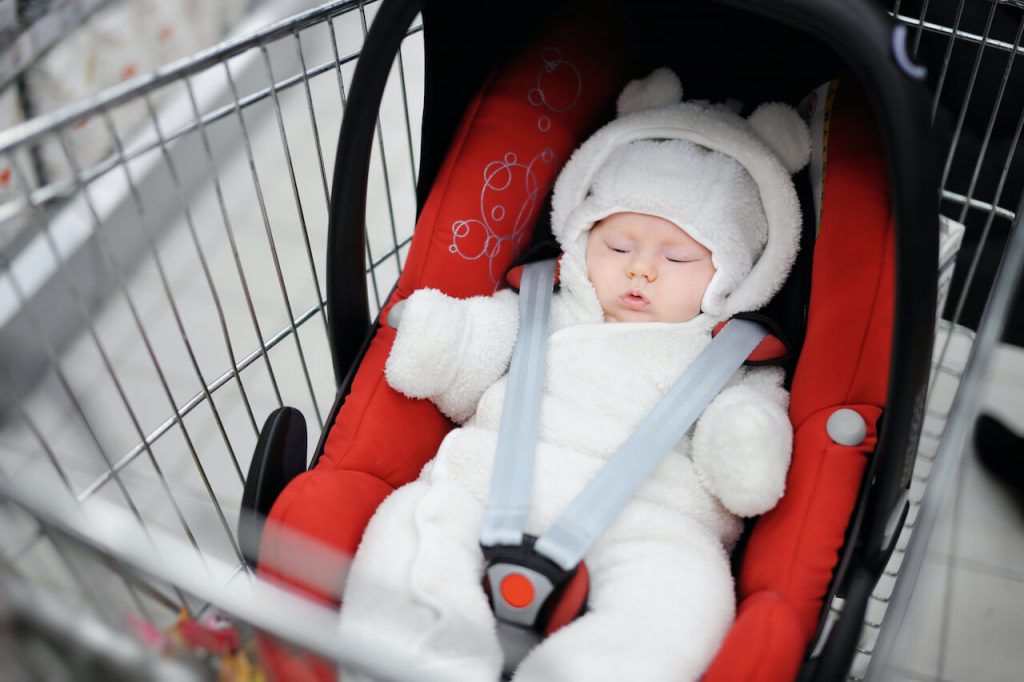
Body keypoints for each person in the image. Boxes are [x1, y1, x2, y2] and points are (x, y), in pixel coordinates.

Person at [338, 68, 811, 681]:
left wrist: (745, 440)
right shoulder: (541, 306)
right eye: (618, 246)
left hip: (652, 520)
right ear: (581, 236)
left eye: (678, 257)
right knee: (410, 528)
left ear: (737, 272)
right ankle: (420, 662)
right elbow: (481, 349)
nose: (641, 270)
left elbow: (742, 442)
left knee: (682, 601)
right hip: (488, 482)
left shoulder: (730, 358)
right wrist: (445, 339)